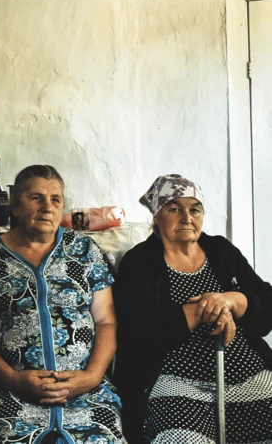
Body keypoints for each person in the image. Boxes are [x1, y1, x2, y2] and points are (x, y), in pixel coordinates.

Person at [0, 165, 123, 444]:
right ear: (15, 206)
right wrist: (12, 380)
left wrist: (92, 376)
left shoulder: (84, 251)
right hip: (14, 394)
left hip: (86, 394)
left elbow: (105, 320)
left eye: (55, 199)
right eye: (36, 198)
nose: (47, 207)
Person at [112, 174, 272, 444]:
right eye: (174, 208)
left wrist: (232, 300)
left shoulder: (222, 251)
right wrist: (201, 312)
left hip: (248, 375)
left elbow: (266, 308)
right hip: (176, 382)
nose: (187, 217)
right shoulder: (140, 262)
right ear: (156, 217)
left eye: (194, 209)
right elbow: (136, 334)